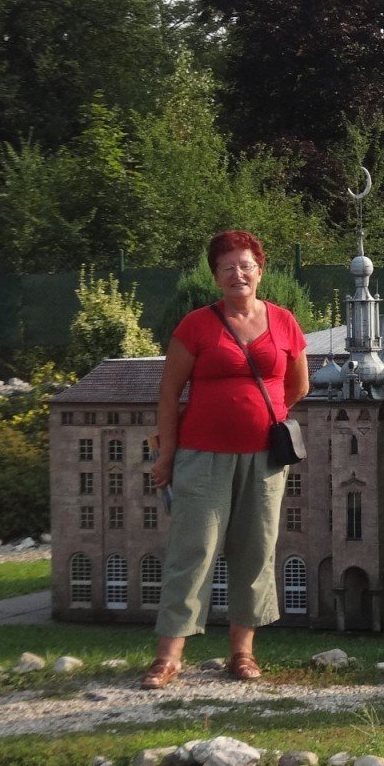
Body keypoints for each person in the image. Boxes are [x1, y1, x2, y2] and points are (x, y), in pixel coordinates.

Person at [140, 229, 309, 690]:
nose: (239, 273)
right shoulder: (196, 325)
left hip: (264, 460)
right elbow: (169, 394)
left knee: (255, 552)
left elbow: (298, 387)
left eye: (246, 264)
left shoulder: (284, 322)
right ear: (216, 275)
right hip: (202, 457)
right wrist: (167, 456)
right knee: (192, 553)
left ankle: (242, 653)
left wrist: (264, 414)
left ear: (260, 270)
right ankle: (168, 658)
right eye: (228, 266)